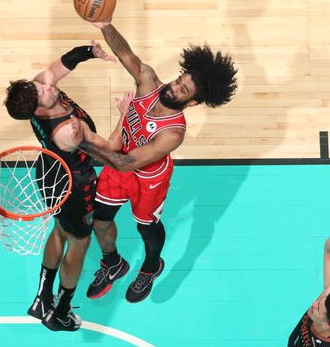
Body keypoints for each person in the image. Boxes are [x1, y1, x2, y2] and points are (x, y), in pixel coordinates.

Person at [71, 18, 238, 303]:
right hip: (119, 159)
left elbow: (126, 164)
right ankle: (113, 263)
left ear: (192, 103)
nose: (173, 88)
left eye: (183, 90)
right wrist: (106, 25)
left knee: (146, 227)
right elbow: (126, 54)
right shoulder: (148, 82)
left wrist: (81, 143)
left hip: (147, 177)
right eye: (178, 81)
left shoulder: (173, 132)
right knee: (99, 220)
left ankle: (151, 267)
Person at [3, 41, 118, 332]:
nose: (48, 86)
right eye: (43, 92)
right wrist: (124, 113)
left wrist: (91, 52)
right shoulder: (68, 131)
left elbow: (63, 63)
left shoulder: (39, 88)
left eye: (41, 87)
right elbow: (109, 150)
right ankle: (62, 311)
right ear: (37, 108)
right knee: (79, 241)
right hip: (73, 183)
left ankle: (42, 297)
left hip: (48, 170)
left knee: (59, 230)